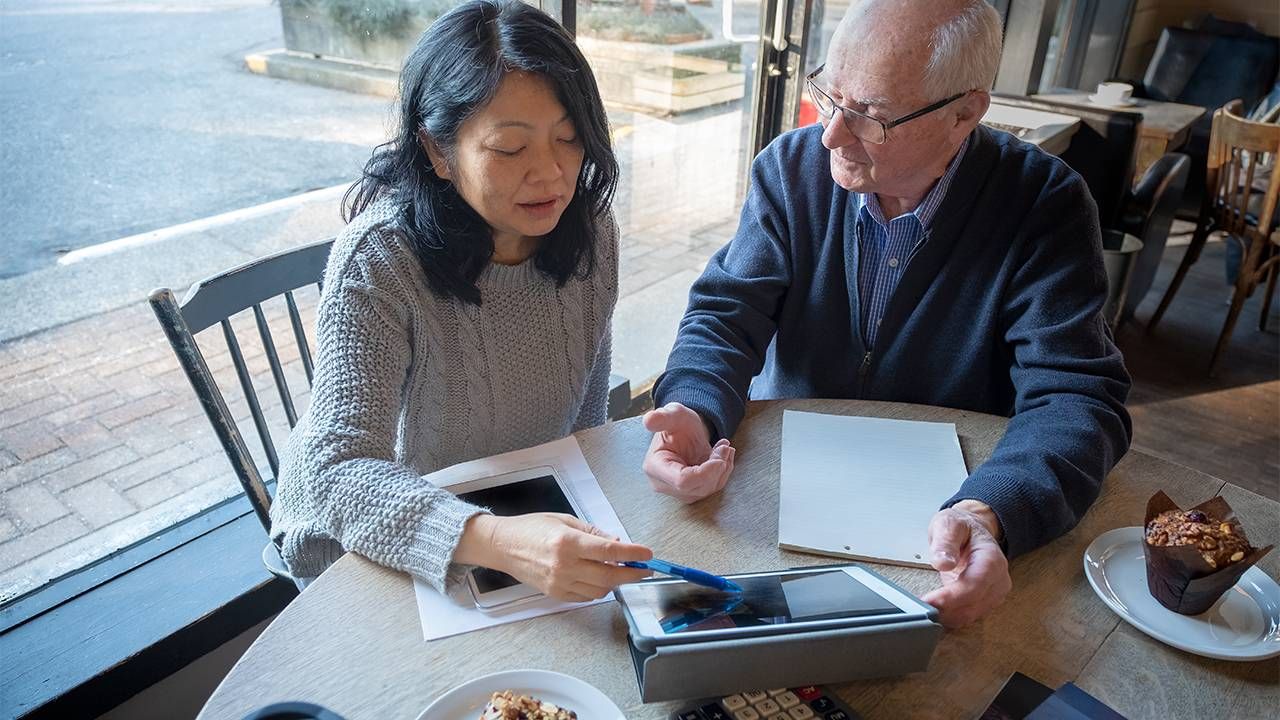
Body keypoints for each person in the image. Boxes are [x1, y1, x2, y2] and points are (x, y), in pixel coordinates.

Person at [641, 0, 1132, 628]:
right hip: (782, 479)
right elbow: (725, 315)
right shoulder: (791, 171)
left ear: (965, 113)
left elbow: (1079, 397)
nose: (831, 135)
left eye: (869, 117)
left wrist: (993, 511)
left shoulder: (1045, 205)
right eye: (828, 94)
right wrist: (694, 408)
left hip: (944, 510)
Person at [271, 0, 652, 600]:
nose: (552, 173)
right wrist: (497, 540)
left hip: (515, 506)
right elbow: (334, 475)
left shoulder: (591, 230)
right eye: (509, 148)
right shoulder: (379, 260)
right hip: (372, 538)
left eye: (570, 138)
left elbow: (582, 414)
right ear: (437, 152)